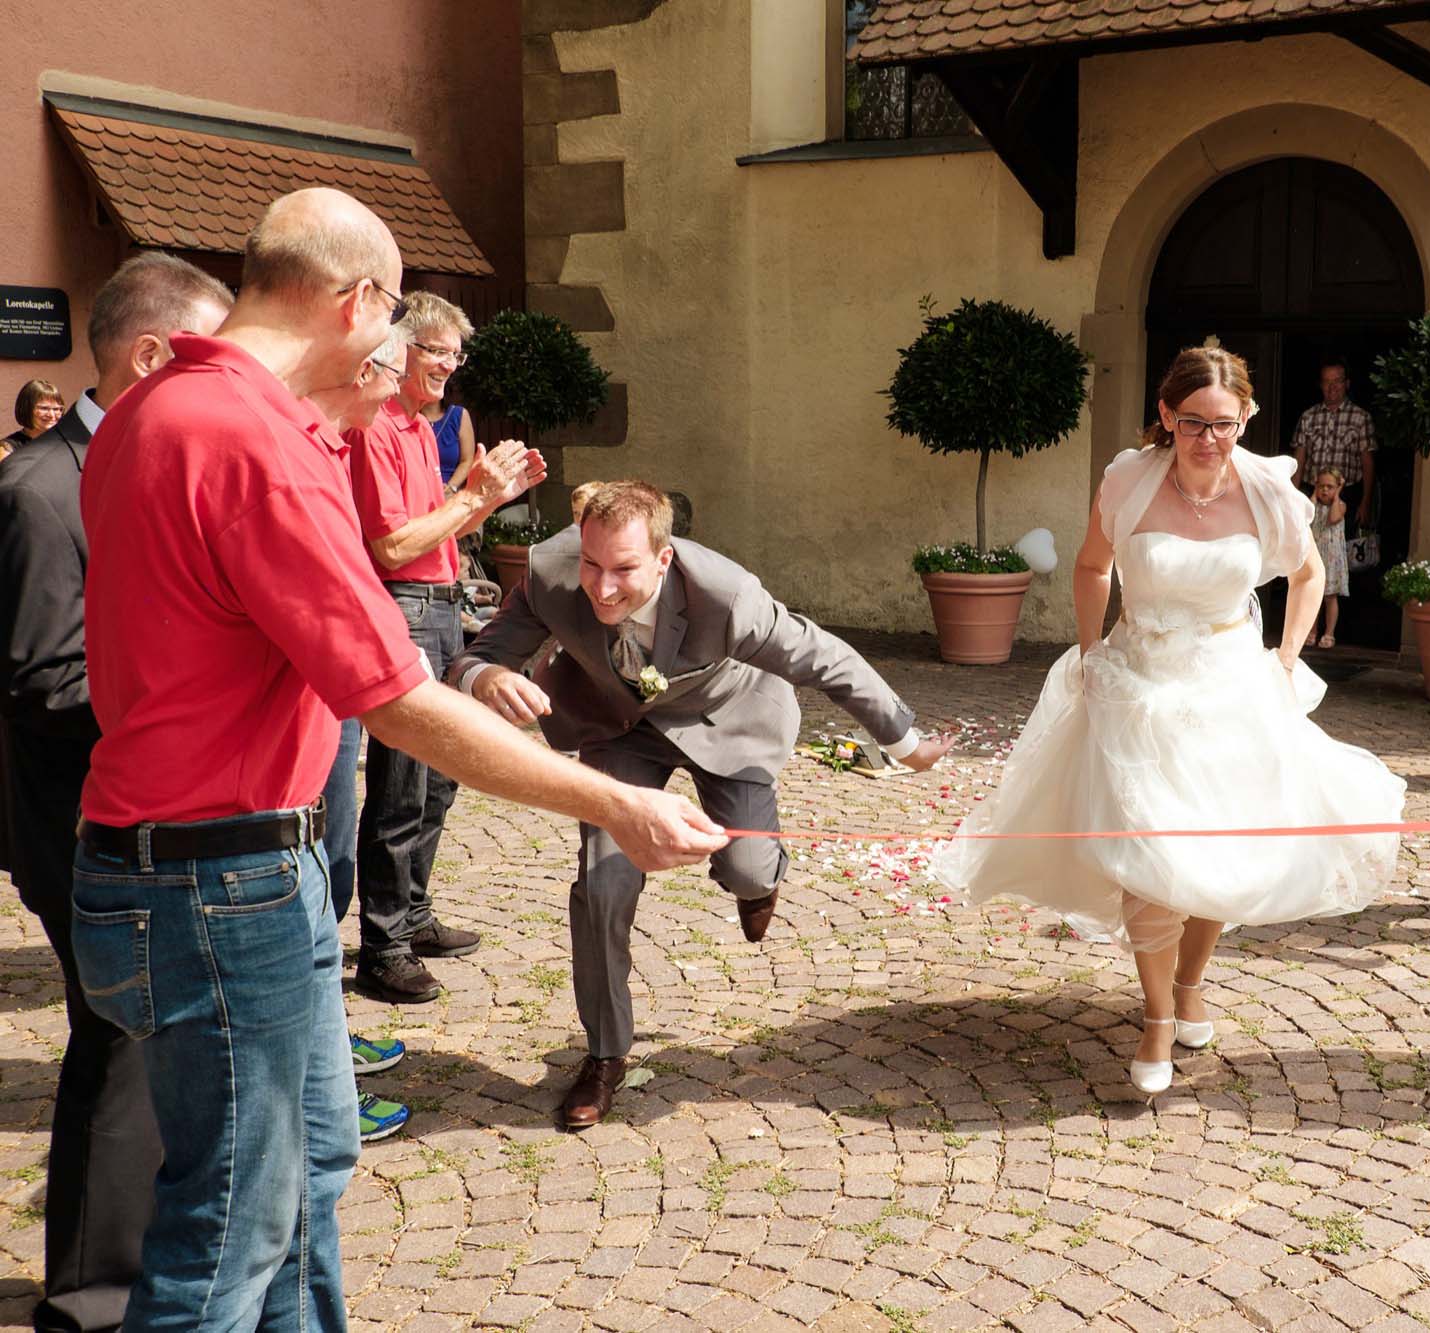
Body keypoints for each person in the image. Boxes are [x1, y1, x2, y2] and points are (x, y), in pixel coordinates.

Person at [70, 187, 727, 1331]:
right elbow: (397, 702)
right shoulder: (250, 438)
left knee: (307, 1173)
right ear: (357, 301)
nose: (392, 355)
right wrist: (611, 801)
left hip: (165, 861)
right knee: (227, 1236)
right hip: (223, 880)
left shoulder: (146, 408)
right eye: (390, 328)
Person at [933, 347, 1406, 1096]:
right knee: (1149, 851)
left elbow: (1309, 574)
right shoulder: (1127, 478)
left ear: (1245, 418)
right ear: (1165, 416)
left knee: (1214, 852)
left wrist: (1284, 660)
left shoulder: (1266, 492)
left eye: (1224, 424)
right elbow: (1093, 566)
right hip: (1139, 684)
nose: (1210, 439)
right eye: (1192, 423)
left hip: (1228, 686)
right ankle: (1157, 1015)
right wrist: (1091, 654)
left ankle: (1190, 982)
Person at [451, 480, 952, 1127]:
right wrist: (486, 675)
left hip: (728, 718)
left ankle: (762, 877)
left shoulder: (727, 595)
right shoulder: (549, 572)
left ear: (662, 559)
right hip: (617, 729)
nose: (601, 588)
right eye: (592, 565)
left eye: (624, 570)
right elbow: (475, 658)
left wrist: (905, 743)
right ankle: (604, 1054)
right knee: (603, 883)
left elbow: (825, 659)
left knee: (746, 865)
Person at [0, 252, 230, 1333]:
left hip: (137, 815)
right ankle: (88, 1301)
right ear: (149, 358)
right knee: (120, 1041)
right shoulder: (45, 487)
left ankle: (119, 1274)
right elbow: (47, 680)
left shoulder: (128, 466)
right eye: (201, 360)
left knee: (135, 1039)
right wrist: (194, 679)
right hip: (75, 822)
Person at [347, 291, 546, 1004]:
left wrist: (494, 493)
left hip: (439, 605)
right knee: (402, 782)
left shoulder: (415, 428)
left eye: (455, 355)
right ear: (397, 350)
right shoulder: (376, 427)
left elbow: (443, 530)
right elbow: (394, 544)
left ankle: (416, 913)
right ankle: (383, 945)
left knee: (440, 775)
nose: (448, 367)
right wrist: (472, 499)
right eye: (436, 351)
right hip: (401, 607)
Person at [305, 333, 418, 1144]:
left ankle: (329, 1049)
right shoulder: (298, 447)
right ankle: (323, 1088)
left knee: (332, 869)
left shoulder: (325, 442)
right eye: (398, 373)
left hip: (328, 710)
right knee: (315, 881)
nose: (402, 394)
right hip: (304, 722)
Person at [1290, 359, 1375, 528]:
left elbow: (1368, 464)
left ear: (1347, 384)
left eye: (1337, 381)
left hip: (1347, 497)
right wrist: (1291, 497)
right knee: (1309, 547)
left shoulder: (1361, 418)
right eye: (1327, 382)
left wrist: (1366, 503)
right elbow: (1298, 460)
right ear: (1321, 385)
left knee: (1343, 549)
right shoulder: (1308, 417)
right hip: (1313, 495)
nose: (1332, 386)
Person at [1310, 469, 1348, 648]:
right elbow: (1306, 516)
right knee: (1312, 596)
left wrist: (1338, 493)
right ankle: (1311, 631)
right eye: (1321, 486)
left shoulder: (1340, 505)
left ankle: (1329, 633)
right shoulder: (1313, 506)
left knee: (1329, 597)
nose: (1325, 490)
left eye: (1330, 487)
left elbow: (1333, 518)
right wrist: (1313, 494)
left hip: (1331, 559)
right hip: (1316, 555)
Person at [4, 378, 64, 457]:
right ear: (26, 409)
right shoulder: (7, 449)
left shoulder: (66, 444)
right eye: (44, 408)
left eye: (56, 409)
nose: (52, 415)